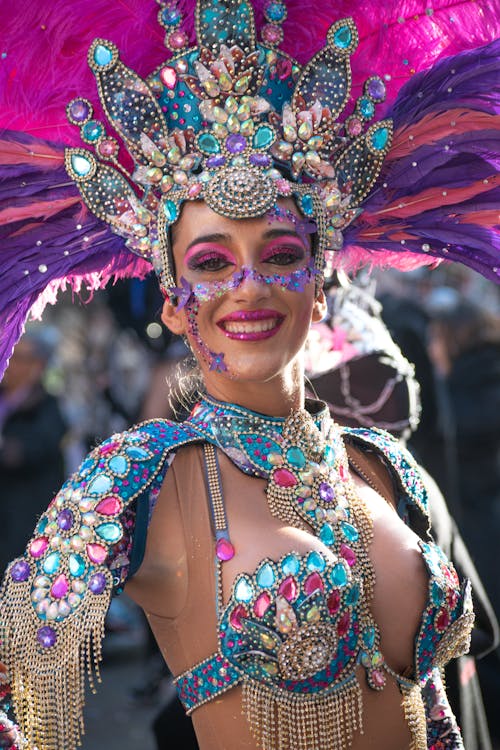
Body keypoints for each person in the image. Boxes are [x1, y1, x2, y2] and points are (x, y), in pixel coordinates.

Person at [0, 2, 498, 750]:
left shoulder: (386, 467)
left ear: (320, 281)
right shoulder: (136, 484)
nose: (249, 286)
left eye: (280, 255)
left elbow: (435, 712)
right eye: (209, 262)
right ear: (171, 303)